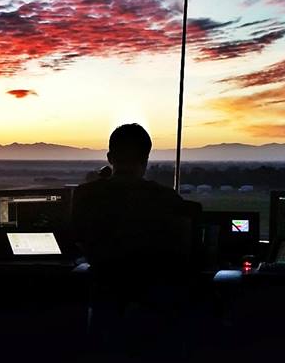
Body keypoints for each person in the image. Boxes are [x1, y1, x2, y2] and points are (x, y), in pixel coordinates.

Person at [72, 123, 200, 347]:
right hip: (156, 312)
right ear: (146, 159)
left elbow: (76, 240)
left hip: (104, 306)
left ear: (110, 157)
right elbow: (185, 253)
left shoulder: (85, 196)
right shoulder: (167, 199)